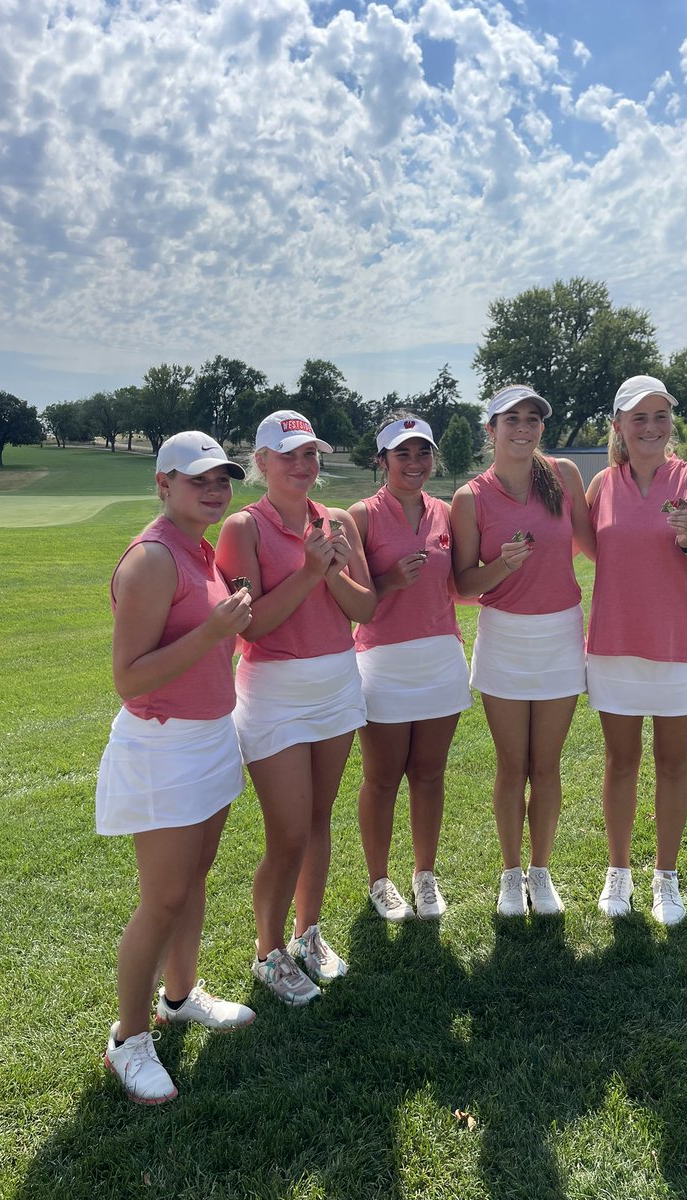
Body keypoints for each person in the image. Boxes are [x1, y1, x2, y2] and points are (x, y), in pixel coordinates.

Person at [96, 431, 255, 1105]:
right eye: (198, 480)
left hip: (209, 737)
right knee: (162, 897)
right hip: (163, 746)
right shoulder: (153, 559)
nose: (214, 490)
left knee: (193, 880)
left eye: (222, 479)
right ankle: (128, 1039)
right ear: (163, 484)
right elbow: (128, 680)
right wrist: (215, 632)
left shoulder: (199, 550)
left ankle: (180, 995)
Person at [215, 410, 376, 1003]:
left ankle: (308, 933)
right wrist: (311, 572)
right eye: (289, 456)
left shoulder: (336, 521)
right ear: (261, 463)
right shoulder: (244, 528)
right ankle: (268, 952)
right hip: (274, 689)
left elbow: (367, 608)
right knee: (286, 833)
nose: (304, 465)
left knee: (317, 821)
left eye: (311, 454)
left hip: (337, 680)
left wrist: (329, 573)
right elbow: (252, 628)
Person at [585, 375, 687, 925]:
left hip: (678, 644)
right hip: (615, 645)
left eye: (660, 417)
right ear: (620, 426)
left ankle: (666, 878)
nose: (651, 428)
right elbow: (584, 546)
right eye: (639, 418)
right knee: (620, 762)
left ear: (671, 423)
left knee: (673, 762)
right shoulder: (601, 484)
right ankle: (618, 872)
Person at [451, 385, 594, 916]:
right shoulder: (469, 497)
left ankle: (541, 872)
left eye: (533, 419)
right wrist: (501, 568)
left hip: (559, 634)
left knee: (548, 765)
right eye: (511, 419)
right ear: (490, 429)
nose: (523, 428)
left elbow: (594, 543)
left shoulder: (564, 475)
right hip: (504, 637)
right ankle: (511, 875)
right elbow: (464, 584)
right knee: (512, 766)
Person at [348, 414, 471, 921]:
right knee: (381, 778)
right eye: (403, 454)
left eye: (423, 453)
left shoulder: (446, 512)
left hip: (441, 657)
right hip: (382, 659)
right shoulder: (361, 516)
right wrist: (390, 579)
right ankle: (380, 880)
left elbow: (462, 583)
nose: (415, 463)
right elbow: (351, 599)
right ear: (382, 461)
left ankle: (425, 875)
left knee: (429, 774)